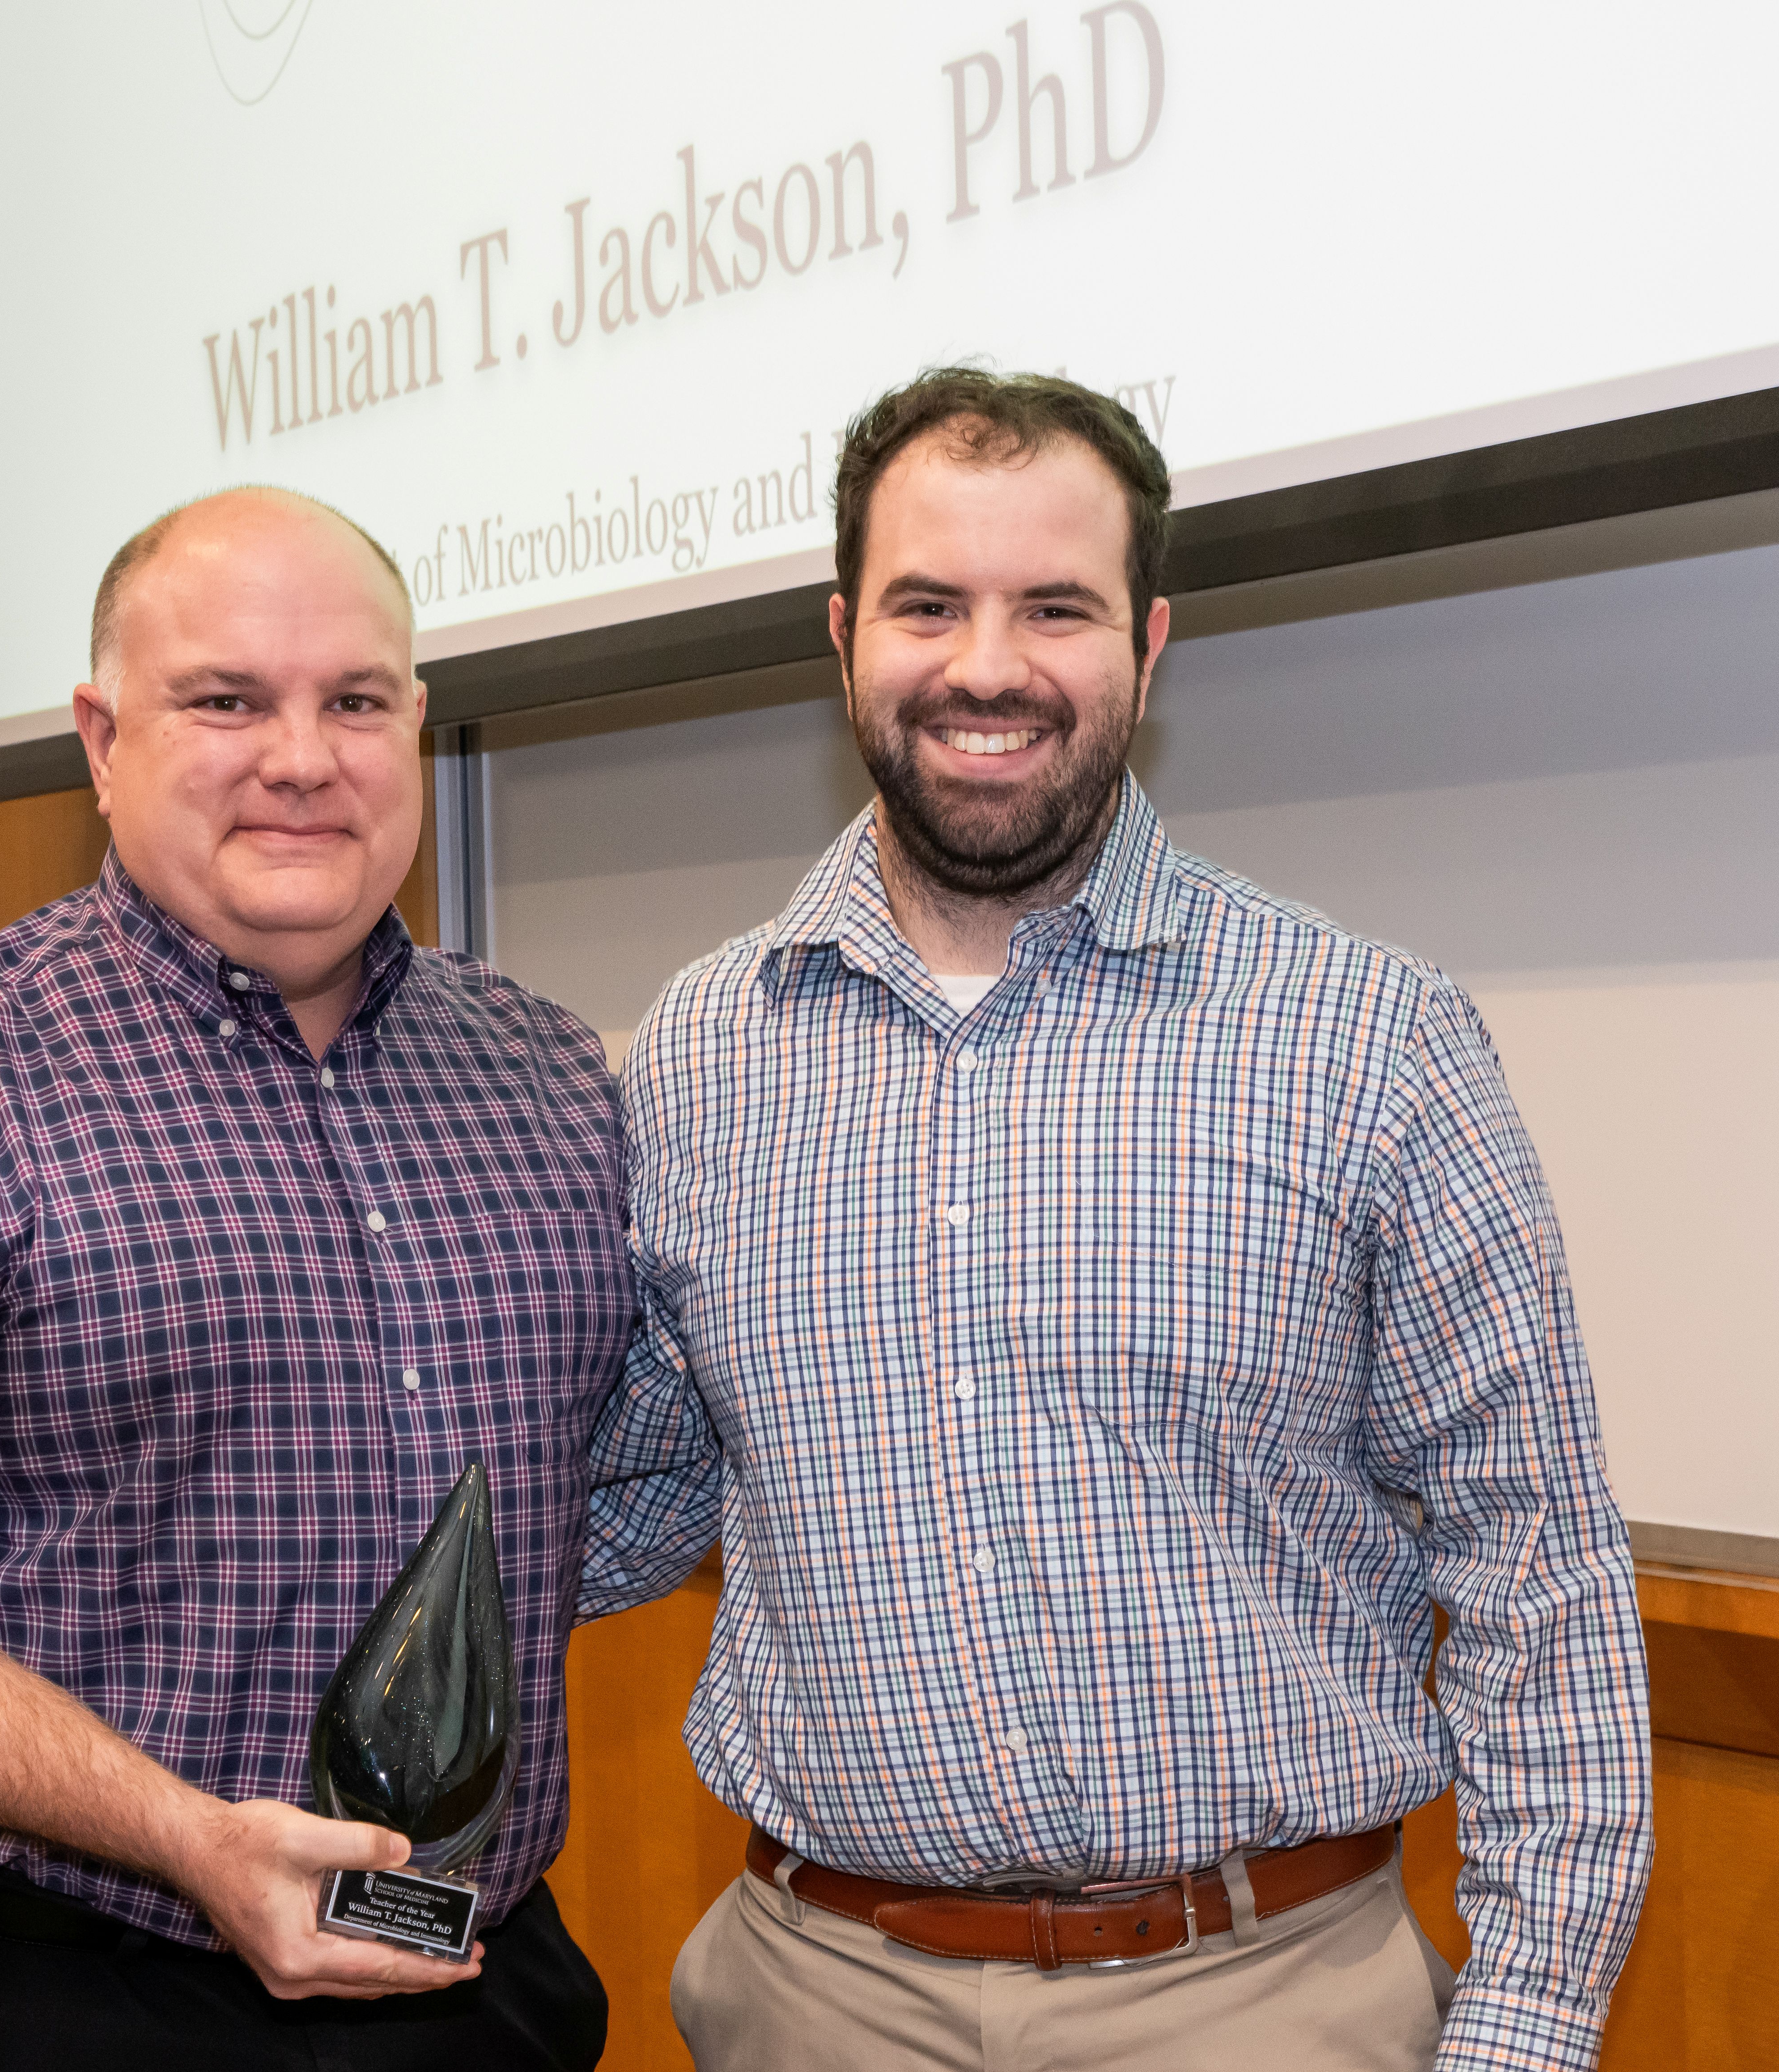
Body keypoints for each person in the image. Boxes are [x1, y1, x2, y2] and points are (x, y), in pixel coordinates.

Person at [584, 369, 1652, 2072]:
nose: (989, 666)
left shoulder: (1369, 1037)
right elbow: (630, 1501)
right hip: (814, 1999)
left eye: (1056, 607)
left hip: (1258, 2002)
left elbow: (1539, 1570)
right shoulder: (700, 1057)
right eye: (930, 603)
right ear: (843, 635)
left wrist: (1522, 2030)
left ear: (1148, 649)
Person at [0, 488, 629, 2070]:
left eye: (357, 701)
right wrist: (186, 1835)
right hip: (47, 1999)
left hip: (473, 1992)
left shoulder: (554, 1079)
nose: (303, 758)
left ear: (418, 726)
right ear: (101, 739)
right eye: (227, 701)